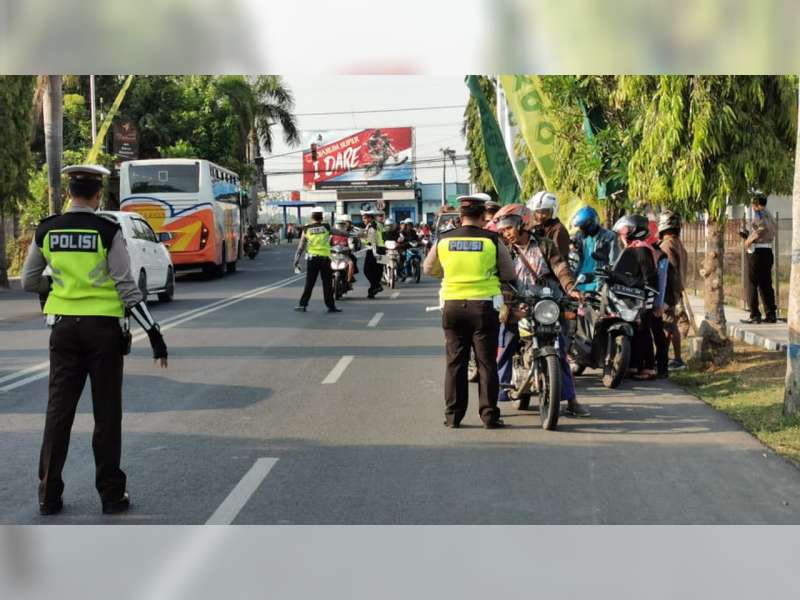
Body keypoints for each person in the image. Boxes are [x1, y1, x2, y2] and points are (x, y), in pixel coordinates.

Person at [20, 164, 168, 516]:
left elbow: (28, 280)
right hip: (103, 332)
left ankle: (48, 495)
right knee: (106, 414)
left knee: (58, 413)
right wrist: (153, 332)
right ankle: (112, 497)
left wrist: (56, 286)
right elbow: (126, 286)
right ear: (98, 194)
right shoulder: (107, 230)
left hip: (64, 331)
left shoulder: (47, 229)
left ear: (69, 193)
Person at [423, 194, 516, 429]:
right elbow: (509, 273)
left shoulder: (444, 240)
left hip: (453, 307)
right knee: (486, 364)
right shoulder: (492, 240)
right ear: (482, 215)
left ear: (460, 215)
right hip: (484, 308)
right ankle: (489, 416)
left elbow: (428, 268)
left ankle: (453, 417)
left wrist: (448, 275)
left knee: (455, 364)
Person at [494, 204, 589, 417]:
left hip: (548, 303)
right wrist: (507, 303)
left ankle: (571, 400)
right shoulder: (504, 250)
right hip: (517, 303)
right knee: (505, 344)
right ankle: (495, 397)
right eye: (503, 229)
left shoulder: (545, 245)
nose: (505, 232)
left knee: (560, 349)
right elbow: (500, 278)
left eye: (509, 227)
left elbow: (561, 268)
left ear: (522, 223)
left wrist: (571, 289)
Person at [613, 214, 668, 380]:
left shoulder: (642, 249)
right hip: (632, 298)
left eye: (624, 231)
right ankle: (634, 365)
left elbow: (650, 278)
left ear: (634, 231)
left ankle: (649, 368)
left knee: (644, 332)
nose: (622, 236)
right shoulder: (634, 248)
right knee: (636, 332)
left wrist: (648, 303)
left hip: (641, 300)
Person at [293, 207, 342, 313]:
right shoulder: (326, 227)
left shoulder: (306, 229)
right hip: (325, 259)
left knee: (309, 283)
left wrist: (296, 260)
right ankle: (331, 307)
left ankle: (303, 305)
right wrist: (355, 234)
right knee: (327, 284)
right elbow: (340, 233)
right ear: (322, 217)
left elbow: (301, 246)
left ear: (311, 217)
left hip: (312, 259)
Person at [657, 211, 689, 370]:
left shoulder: (666, 245)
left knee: (668, 326)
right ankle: (664, 356)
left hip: (669, 291)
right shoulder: (677, 244)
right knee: (669, 326)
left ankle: (675, 359)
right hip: (676, 289)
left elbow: (666, 271)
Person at [740, 192, 777, 323]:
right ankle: (771, 313)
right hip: (767, 251)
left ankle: (755, 315)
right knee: (765, 283)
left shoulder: (760, 213)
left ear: (756, 204)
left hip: (757, 252)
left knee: (751, 283)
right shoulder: (770, 214)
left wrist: (748, 240)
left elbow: (761, 228)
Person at [570, 206, 620, 293]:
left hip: (597, 283)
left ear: (590, 224)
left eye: (582, 227)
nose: (581, 230)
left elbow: (614, 263)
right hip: (580, 279)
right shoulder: (580, 237)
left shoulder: (609, 237)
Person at [528, 191, 571, 259]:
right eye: (537, 212)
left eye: (544, 212)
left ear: (553, 211)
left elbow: (558, 259)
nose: (540, 216)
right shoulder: (539, 228)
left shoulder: (558, 231)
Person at [360, 209, 384, 298]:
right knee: (378, 272)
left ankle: (377, 286)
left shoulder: (371, 227)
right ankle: (372, 291)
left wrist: (374, 253)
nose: (363, 220)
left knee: (367, 271)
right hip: (382, 249)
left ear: (370, 218)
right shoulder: (379, 224)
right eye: (363, 218)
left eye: (365, 218)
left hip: (374, 250)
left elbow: (373, 241)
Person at [332, 214, 357, 287]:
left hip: (344, 255)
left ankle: (349, 280)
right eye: (339, 225)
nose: (340, 227)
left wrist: (351, 247)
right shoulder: (332, 235)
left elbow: (351, 244)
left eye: (342, 225)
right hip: (333, 255)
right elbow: (327, 244)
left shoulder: (347, 235)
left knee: (351, 263)